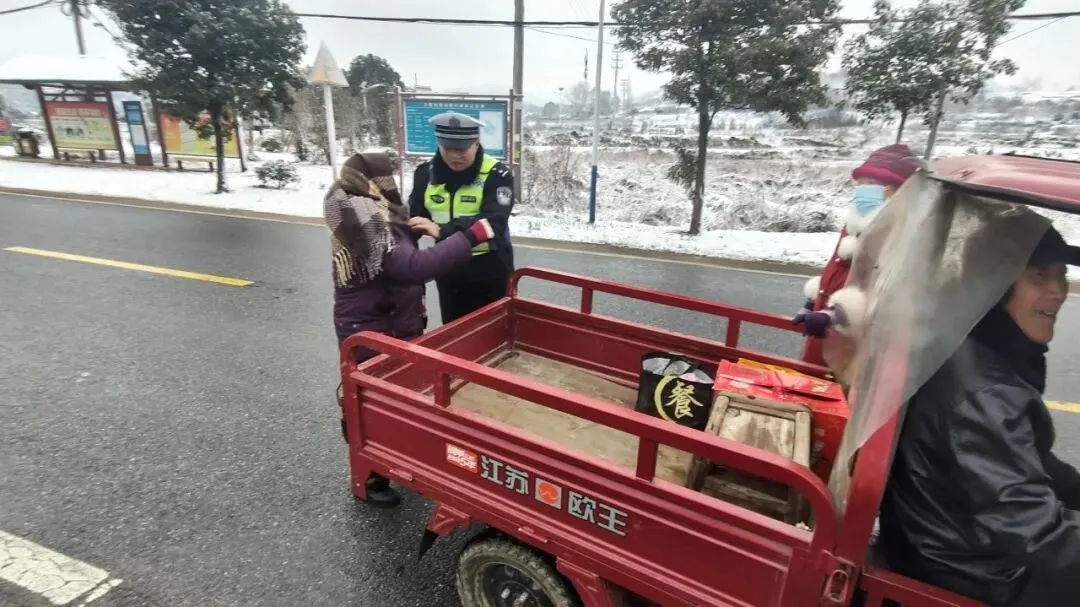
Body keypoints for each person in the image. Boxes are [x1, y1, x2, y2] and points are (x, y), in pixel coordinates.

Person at [878, 226, 1080, 606]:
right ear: (996, 287)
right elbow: (1031, 528)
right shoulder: (986, 393)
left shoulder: (977, 345)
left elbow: (1023, 462)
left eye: (1061, 274)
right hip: (967, 567)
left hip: (944, 539)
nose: (1057, 291)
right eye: (1039, 276)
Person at [325, 151, 495, 508]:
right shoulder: (363, 216)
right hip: (372, 325)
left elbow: (399, 257)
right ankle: (369, 478)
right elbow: (410, 267)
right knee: (372, 402)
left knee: (398, 398)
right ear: (370, 182)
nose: (391, 184)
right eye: (385, 178)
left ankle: (393, 460)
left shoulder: (376, 210)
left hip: (394, 320)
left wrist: (415, 228)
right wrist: (469, 237)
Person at [793, 144, 922, 365]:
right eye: (861, 183)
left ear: (896, 192)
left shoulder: (900, 234)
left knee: (836, 383)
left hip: (857, 348)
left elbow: (885, 292)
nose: (863, 190)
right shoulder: (854, 227)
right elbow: (839, 270)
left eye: (871, 184)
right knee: (811, 377)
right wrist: (813, 301)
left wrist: (837, 314)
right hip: (827, 331)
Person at [407, 112, 515, 324]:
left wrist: (443, 231)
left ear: (476, 143)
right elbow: (415, 217)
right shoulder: (424, 174)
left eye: (462, 149)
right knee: (454, 332)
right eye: (447, 149)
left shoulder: (497, 175)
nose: (455, 156)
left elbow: (494, 221)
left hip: (490, 269)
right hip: (448, 269)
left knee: (493, 333)